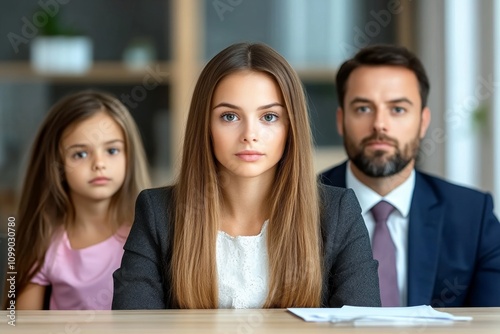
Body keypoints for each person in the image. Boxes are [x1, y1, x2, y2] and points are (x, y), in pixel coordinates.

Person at [112, 42, 381, 309]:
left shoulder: (338, 212)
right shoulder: (157, 212)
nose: (249, 135)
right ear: (205, 125)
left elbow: (363, 325)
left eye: (269, 117)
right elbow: (133, 325)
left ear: (291, 127)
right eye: (229, 116)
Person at [320, 44, 500, 307]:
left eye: (398, 109)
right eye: (363, 108)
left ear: (423, 122)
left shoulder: (473, 216)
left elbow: (492, 321)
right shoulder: (300, 206)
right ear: (340, 119)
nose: (380, 124)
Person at [4, 91, 151, 310]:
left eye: (112, 150)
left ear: (129, 156)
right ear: (55, 164)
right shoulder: (44, 242)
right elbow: (22, 326)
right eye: (80, 154)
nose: (99, 163)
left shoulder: (150, 235)